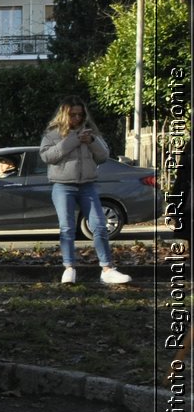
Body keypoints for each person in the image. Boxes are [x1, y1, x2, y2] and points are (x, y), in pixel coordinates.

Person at [39, 98, 132, 286]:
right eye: (73, 114)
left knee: (99, 226)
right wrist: (72, 140)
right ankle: (69, 268)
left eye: (80, 114)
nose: (77, 118)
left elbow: (103, 156)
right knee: (67, 228)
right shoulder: (53, 134)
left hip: (87, 185)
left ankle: (107, 269)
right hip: (62, 185)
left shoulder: (91, 133)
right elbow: (47, 156)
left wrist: (91, 141)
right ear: (65, 114)